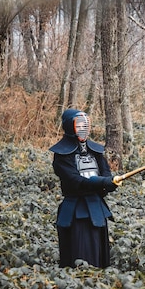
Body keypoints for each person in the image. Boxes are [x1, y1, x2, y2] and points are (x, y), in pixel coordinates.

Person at [49, 109, 119, 268]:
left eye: (85, 125)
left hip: (96, 209)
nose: (83, 128)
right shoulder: (61, 155)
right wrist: (102, 182)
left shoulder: (96, 151)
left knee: (99, 256)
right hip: (76, 210)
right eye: (78, 125)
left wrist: (110, 183)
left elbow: (105, 171)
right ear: (70, 126)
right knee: (80, 255)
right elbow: (75, 180)